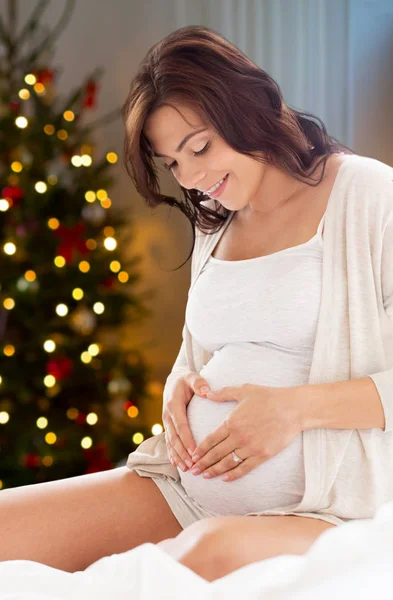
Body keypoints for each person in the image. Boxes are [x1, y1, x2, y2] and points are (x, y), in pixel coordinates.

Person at [1, 25, 392, 583]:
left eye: (200, 147)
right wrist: (179, 383)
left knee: (185, 563)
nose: (193, 178)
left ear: (251, 107)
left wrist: (294, 410)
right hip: (183, 488)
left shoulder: (367, 196)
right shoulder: (218, 221)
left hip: (322, 508)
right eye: (174, 163)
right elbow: (210, 350)